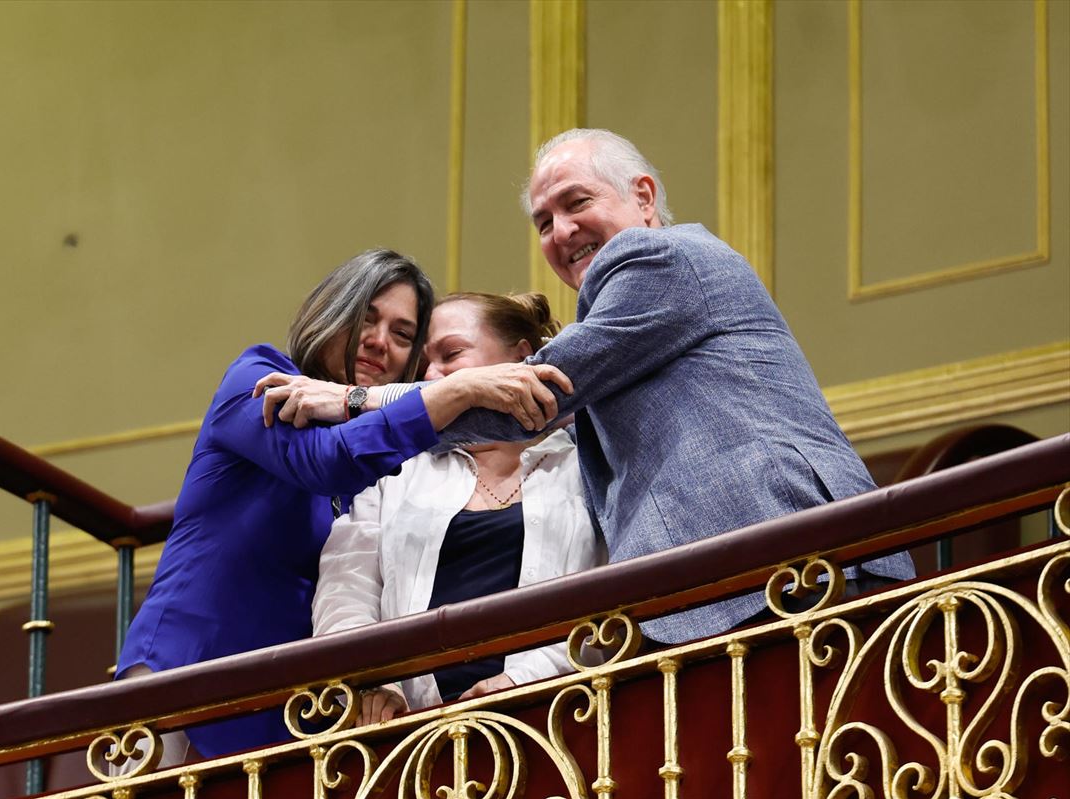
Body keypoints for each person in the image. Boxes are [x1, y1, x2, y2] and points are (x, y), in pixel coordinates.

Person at [258, 130, 914, 648]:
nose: (562, 232)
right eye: (544, 222)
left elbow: (526, 402)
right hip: (742, 588)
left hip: (788, 560)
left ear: (645, 198)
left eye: (577, 203)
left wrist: (349, 401)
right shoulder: (630, 317)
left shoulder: (651, 259)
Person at [116, 249, 571, 762]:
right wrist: (458, 389)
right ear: (331, 312)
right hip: (186, 668)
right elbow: (324, 461)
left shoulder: (396, 460)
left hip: (283, 715)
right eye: (367, 317)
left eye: (403, 336)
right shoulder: (260, 379)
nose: (381, 342)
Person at [312, 292, 604, 725]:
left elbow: (611, 597)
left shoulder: (584, 464)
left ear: (521, 356)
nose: (433, 376)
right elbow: (346, 585)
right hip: (409, 734)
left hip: (559, 717)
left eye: (451, 354)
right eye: (424, 366)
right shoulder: (397, 471)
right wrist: (370, 681)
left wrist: (530, 678)